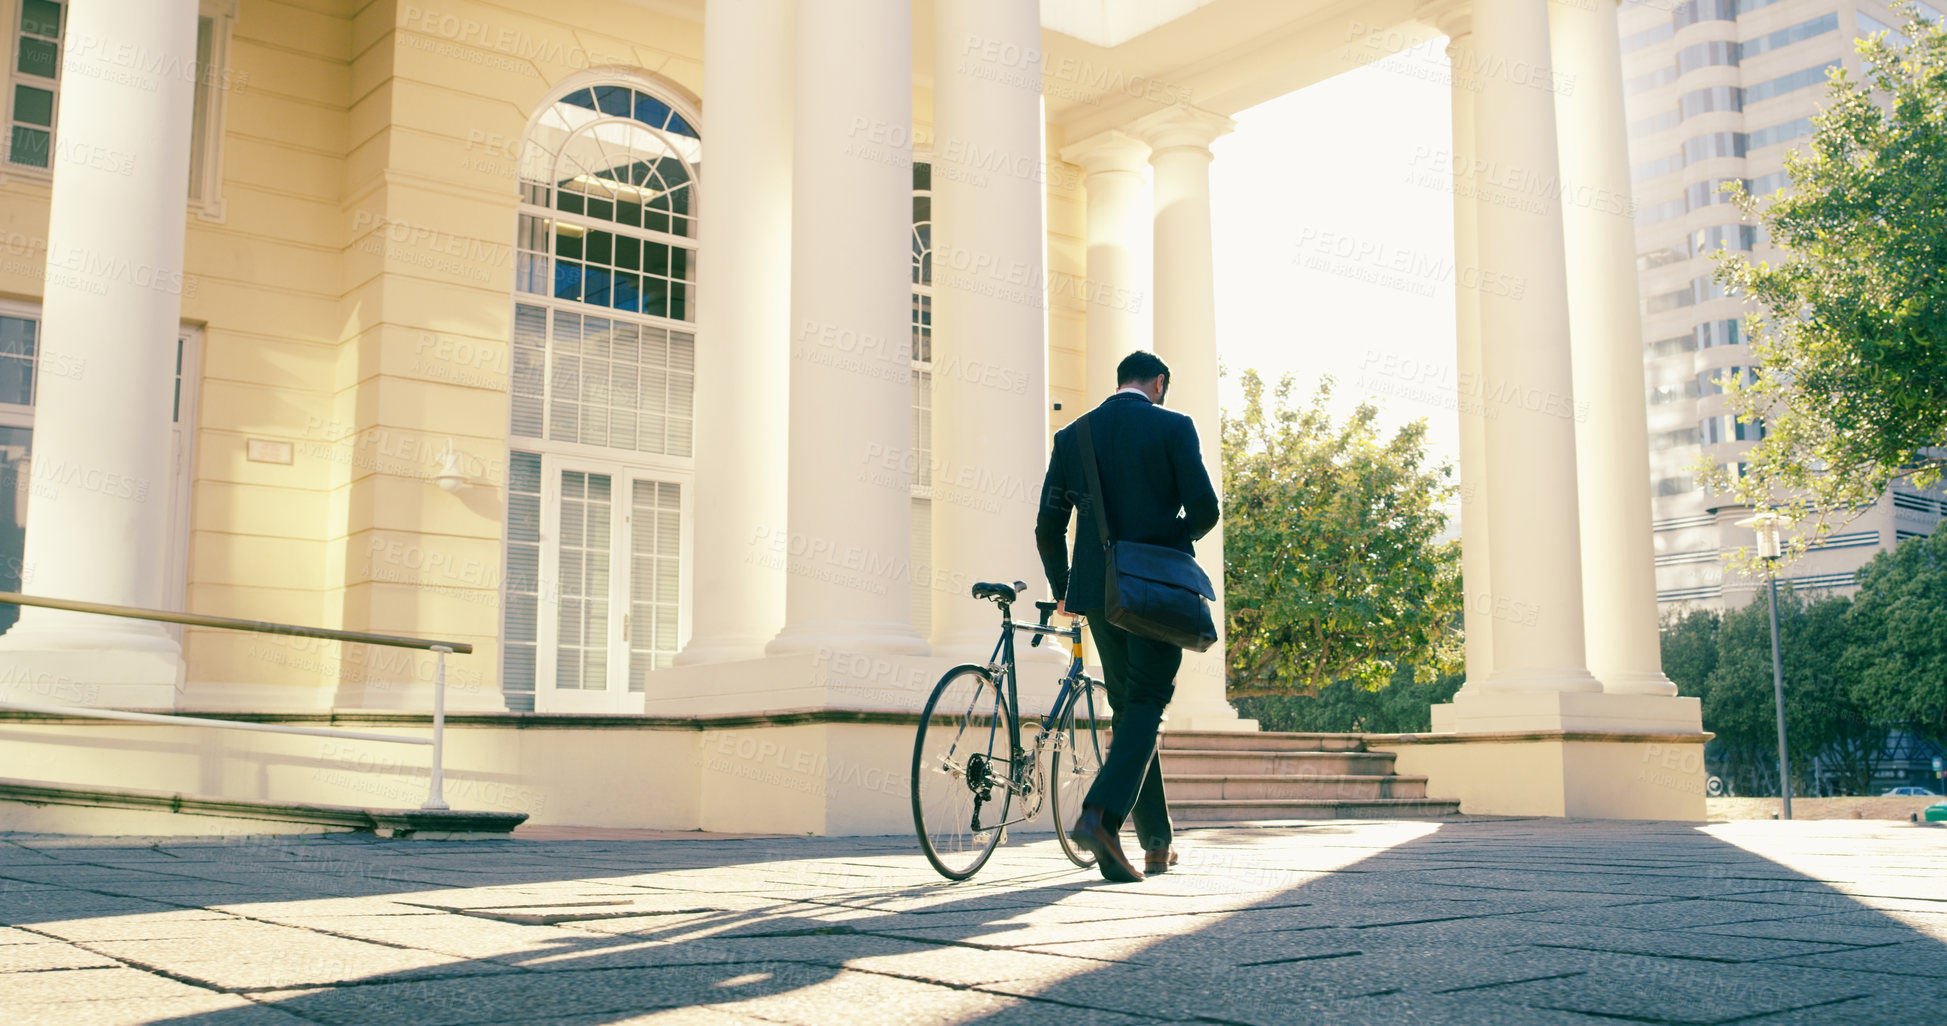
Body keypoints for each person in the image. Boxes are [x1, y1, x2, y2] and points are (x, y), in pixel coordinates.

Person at [1034, 350, 1220, 882]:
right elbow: (1204, 509)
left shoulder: (1073, 437)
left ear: (1121, 382)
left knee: (1132, 708)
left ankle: (1157, 843)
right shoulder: (1173, 426)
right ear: (1158, 383)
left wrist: (1065, 588)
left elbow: (1048, 527)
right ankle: (1100, 816)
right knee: (1146, 703)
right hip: (1154, 589)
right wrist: (1165, 544)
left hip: (1097, 594)